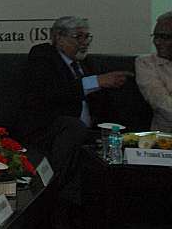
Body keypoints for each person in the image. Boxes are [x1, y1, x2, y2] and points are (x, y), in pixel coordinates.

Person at [14, 16, 130, 227]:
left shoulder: (85, 63)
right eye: (78, 37)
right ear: (59, 38)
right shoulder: (42, 55)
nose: (84, 42)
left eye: (87, 37)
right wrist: (96, 81)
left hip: (82, 134)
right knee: (73, 128)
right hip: (48, 130)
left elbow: (101, 105)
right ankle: (52, 196)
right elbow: (50, 93)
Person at [135, 11, 172, 132]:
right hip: (165, 137)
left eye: (164, 37)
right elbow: (161, 102)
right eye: (156, 36)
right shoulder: (146, 63)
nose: (157, 42)